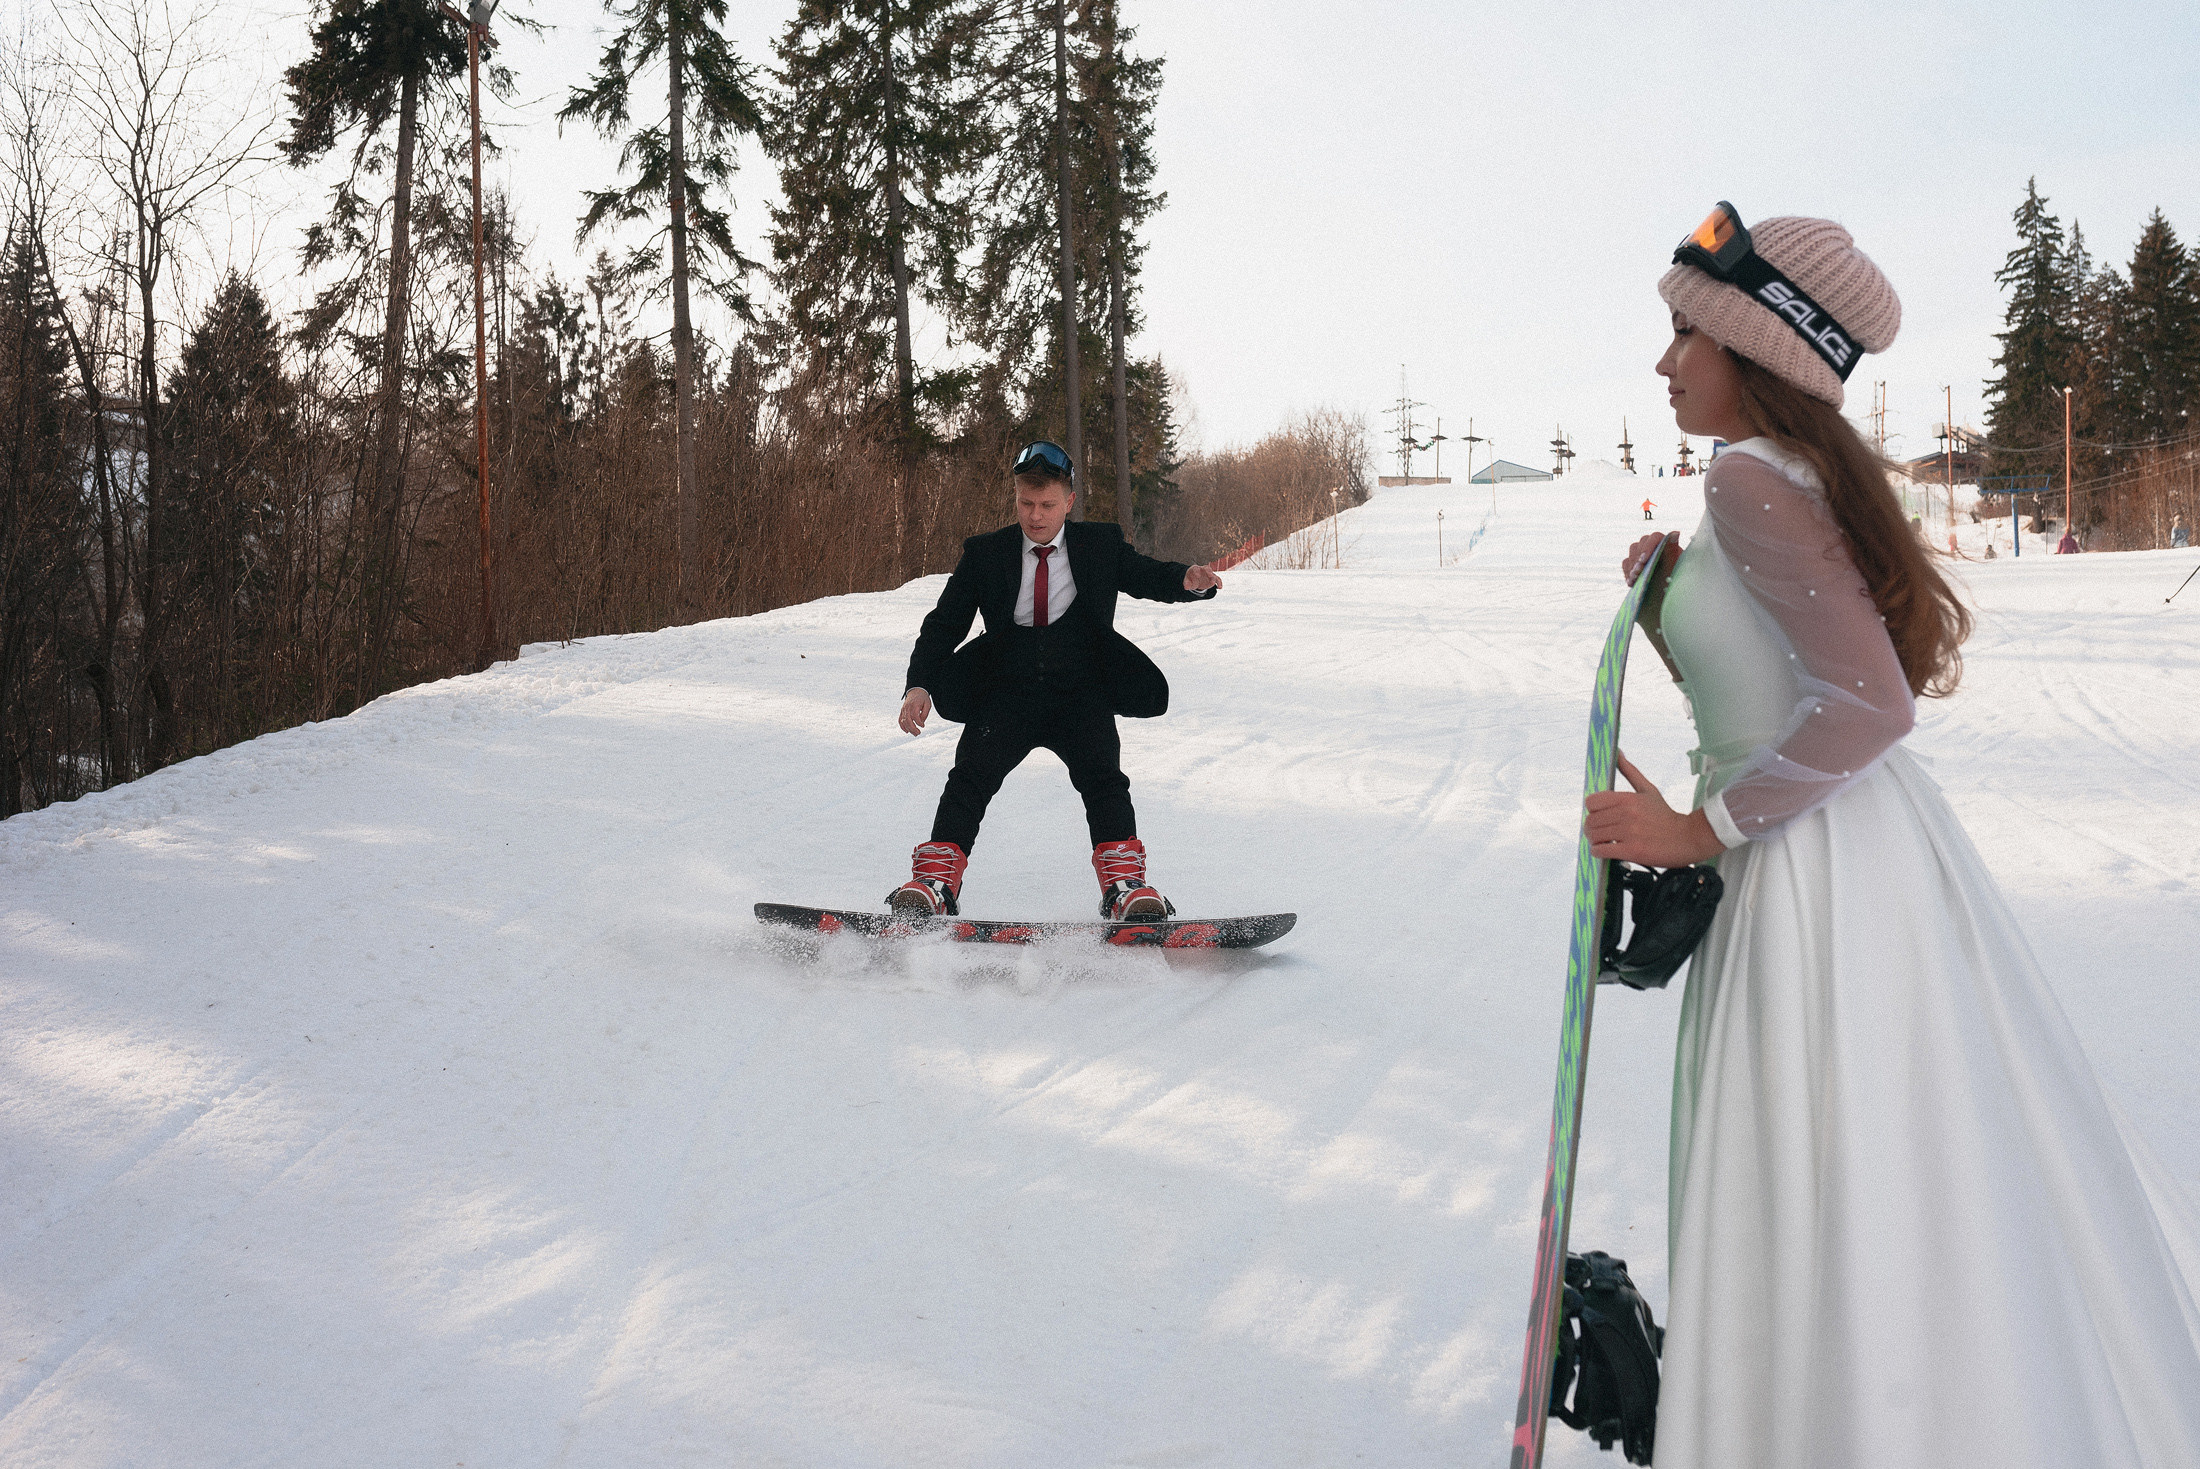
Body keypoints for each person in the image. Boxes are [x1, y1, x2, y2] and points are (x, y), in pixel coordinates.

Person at [1588, 203, 2200, 1467]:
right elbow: (1787, 676)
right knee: (1898, 1173)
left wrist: (1696, 829)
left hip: (1810, 884)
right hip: (1844, 860)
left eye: (1685, 335)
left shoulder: (1750, 475)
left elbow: (1869, 703)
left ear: (1760, 350)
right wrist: (1674, 604)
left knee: (1822, 1174)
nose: (1664, 363)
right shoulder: (1778, 478)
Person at [890, 441, 1223, 918]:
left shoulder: (1100, 545)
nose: (1035, 516)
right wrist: (919, 684)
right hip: (1006, 691)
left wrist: (1185, 580)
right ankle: (935, 884)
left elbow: (1146, 574)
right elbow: (944, 624)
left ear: (1068, 501)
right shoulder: (985, 554)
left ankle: (1126, 888)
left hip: (1081, 693)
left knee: (1105, 780)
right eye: (1026, 503)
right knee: (969, 779)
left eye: (1047, 505)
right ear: (1016, 499)